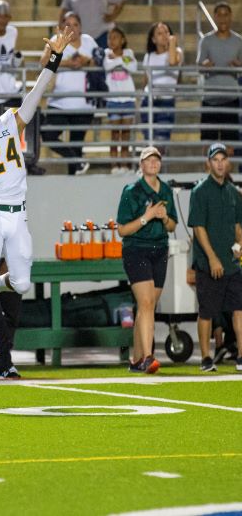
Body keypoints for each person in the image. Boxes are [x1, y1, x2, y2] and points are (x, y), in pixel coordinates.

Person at [0, 24, 73, 362]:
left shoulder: (10, 122)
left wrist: (56, 57)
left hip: (18, 214)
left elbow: (36, 91)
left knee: (20, 283)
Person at [115, 146, 177, 374]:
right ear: (141, 165)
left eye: (156, 159)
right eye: (148, 160)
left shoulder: (166, 190)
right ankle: (149, 356)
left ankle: (136, 359)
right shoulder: (131, 191)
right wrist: (147, 217)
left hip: (159, 250)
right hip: (137, 250)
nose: (153, 163)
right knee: (147, 303)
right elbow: (122, 230)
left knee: (147, 306)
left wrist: (163, 218)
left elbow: (172, 226)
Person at [187, 143, 242, 373]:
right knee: (207, 311)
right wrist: (212, 258)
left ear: (227, 163)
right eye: (215, 159)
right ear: (208, 163)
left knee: (239, 309)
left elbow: (238, 225)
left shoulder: (233, 192)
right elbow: (198, 228)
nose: (219, 163)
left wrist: (239, 246)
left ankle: (241, 355)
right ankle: (206, 358)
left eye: (223, 159)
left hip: (232, 263)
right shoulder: (200, 191)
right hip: (208, 265)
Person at [40, 12, 96, 175]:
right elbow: (43, 61)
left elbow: (99, 61)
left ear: (80, 28)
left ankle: (75, 180)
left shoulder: (89, 41)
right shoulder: (57, 39)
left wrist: (87, 61)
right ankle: (78, 162)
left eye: (75, 25)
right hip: (58, 102)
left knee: (76, 144)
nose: (72, 28)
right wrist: (68, 63)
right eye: (68, 25)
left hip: (84, 104)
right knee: (49, 135)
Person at [196, 1, 242, 145]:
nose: (223, 18)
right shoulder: (206, 41)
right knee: (208, 144)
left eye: (226, 15)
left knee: (230, 146)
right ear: (215, 17)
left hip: (231, 99)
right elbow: (199, 66)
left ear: (231, 17)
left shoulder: (239, 41)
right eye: (219, 15)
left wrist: (239, 65)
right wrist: (204, 65)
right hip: (210, 99)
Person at [103, 27, 138, 174]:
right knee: (115, 134)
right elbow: (107, 66)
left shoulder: (129, 53)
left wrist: (117, 60)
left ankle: (124, 164)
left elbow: (133, 67)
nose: (112, 40)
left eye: (115, 37)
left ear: (122, 40)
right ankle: (114, 166)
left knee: (125, 134)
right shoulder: (105, 53)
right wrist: (121, 61)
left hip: (128, 98)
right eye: (110, 38)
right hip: (113, 99)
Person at [142, 21, 182, 147]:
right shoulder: (148, 56)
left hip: (166, 101)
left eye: (167, 32)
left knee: (161, 141)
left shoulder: (177, 52)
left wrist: (172, 43)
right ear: (153, 39)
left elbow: (172, 62)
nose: (164, 35)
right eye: (160, 33)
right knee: (150, 141)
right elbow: (146, 80)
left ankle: (158, 166)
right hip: (149, 101)